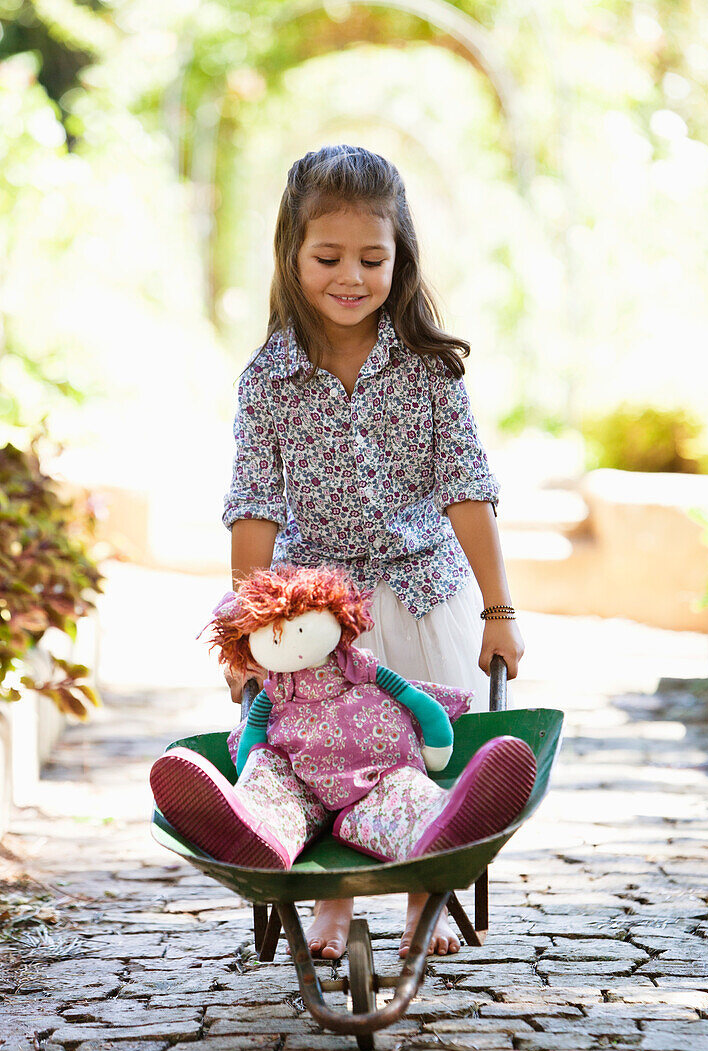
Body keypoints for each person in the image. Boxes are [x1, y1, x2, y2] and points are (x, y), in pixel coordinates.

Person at [221, 144, 524, 958]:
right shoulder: (268, 381)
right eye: (327, 257)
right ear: (291, 254)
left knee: (419, 763)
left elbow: (466, 487)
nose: (348, 276)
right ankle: (332, 903)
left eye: (371, 258)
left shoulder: (429, 372)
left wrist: (498, 612)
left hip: (426, 597)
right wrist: (244, 630)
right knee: (319, 759)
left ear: (400, 257)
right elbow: (254, 507)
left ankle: (427, 892)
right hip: (317, 617)